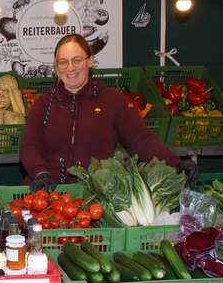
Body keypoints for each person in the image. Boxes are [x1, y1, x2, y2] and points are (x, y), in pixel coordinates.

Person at [20, 34, 197, 191]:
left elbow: (141, 139)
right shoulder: (43, 104)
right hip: (48, 194)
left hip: (94, 195)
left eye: (77, 60)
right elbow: (29, 146)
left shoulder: (112, 100)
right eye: (63, 62)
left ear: (90, 61)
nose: (70, 68)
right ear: (56, 67)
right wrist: (40, 173)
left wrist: (175, 163)